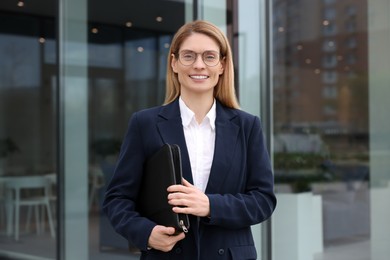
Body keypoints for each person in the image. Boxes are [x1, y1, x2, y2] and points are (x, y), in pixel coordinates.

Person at [103, 20, 277, 260]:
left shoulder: (247, 126)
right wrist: (146, 233)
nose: (198, 65)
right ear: (174, 63)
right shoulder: (144, 123)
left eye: (209, 56)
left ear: (222, 65)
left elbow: (263, 200)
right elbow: (117, 200)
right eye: (188, 56)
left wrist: (209, 205)